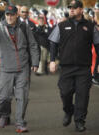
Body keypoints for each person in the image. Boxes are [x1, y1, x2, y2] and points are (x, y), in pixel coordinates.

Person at [0, 5, 39, 133]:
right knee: (4, 97)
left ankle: (20, 123)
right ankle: (4, 114)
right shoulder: (0, 28)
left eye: (12, 14)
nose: (9, 17)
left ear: (16, 15)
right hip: (6, 69)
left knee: (22, 97)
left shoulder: (24, 26)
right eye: (7, 14)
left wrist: (35, 62)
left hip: (23, 68)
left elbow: (33, 45)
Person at [49, 0, 99, 132]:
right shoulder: (61, 25)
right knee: (65, 93)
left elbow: (98, 45)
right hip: (66, 67)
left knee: (82, 96)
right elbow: (53, 43)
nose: (71, 9)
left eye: (75, 8)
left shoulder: (90, 26)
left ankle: (79, 121)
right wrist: (52, 60)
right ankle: (68, 111)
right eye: (70, 7)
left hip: (84, 68)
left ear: (81, 10)